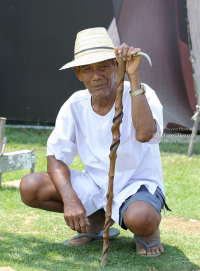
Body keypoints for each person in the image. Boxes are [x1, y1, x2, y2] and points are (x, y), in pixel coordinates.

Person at [20, 27, 170, 257]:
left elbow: (145, 134)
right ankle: (97, 219)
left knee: (141, 218)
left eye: (103, 66)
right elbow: (56, 157)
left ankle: (148, 233)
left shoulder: (141, 93)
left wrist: (133, 75)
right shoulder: (75, 104)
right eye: (88, 70)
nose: (96, 75)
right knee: (31, 187)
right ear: (78, 74)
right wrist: (70, 199)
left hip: (137, 184)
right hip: (95, 184)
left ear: (115, 66)